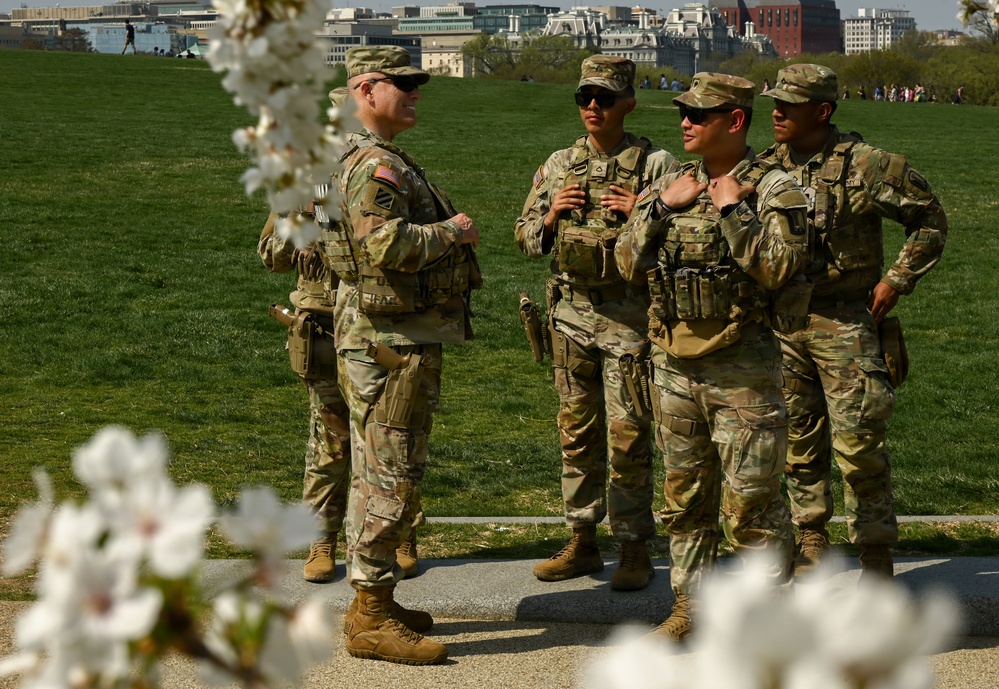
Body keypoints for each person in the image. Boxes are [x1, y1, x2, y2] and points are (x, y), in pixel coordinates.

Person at [615, 72, 810, 641]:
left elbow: (778, 269)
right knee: (684, 498)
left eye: (699, 116)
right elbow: (627, 264)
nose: (686, 124)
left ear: (737, 121)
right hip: (674, 368)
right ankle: (689, 609)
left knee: (752, 502)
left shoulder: (774, 189)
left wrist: (733, 212)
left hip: (743, 371)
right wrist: (656, 210)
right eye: (684, 114)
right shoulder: (673, 183)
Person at [759, 64, 948, 579]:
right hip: (784, 325)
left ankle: (876, 554)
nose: (775, 112)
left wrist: (896, 280)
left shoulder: (866, 165)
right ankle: (812, 537)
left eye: (788, 105)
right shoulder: (763, 167)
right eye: (774, 102)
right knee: (797, 440)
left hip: (846, 324)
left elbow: (929, 219)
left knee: (860, 447)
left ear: (821, 111)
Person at [334, 45, 481, 665]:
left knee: (384, 464)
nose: (416, 92)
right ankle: (370, 617)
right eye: (403, 84)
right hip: (388, 342)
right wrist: (455, 232)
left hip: (389, 334)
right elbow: (384, 245)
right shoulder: (374, 165)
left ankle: (375, 600)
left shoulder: (359, 156)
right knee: (387, 471)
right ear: (367, 90)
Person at [515, 56, 679, 592]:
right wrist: (549, 215)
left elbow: (687, 242)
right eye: (584, 97)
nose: (591, 107)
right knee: (576, 435)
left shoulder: (657, 166)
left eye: (604, 98)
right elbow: (524, 240)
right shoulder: (559, 164)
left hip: (630, 325)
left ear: (627, 103)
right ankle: (582, 541)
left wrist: (643, 211)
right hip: (571, 321)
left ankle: (633, 544)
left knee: (629, 436)